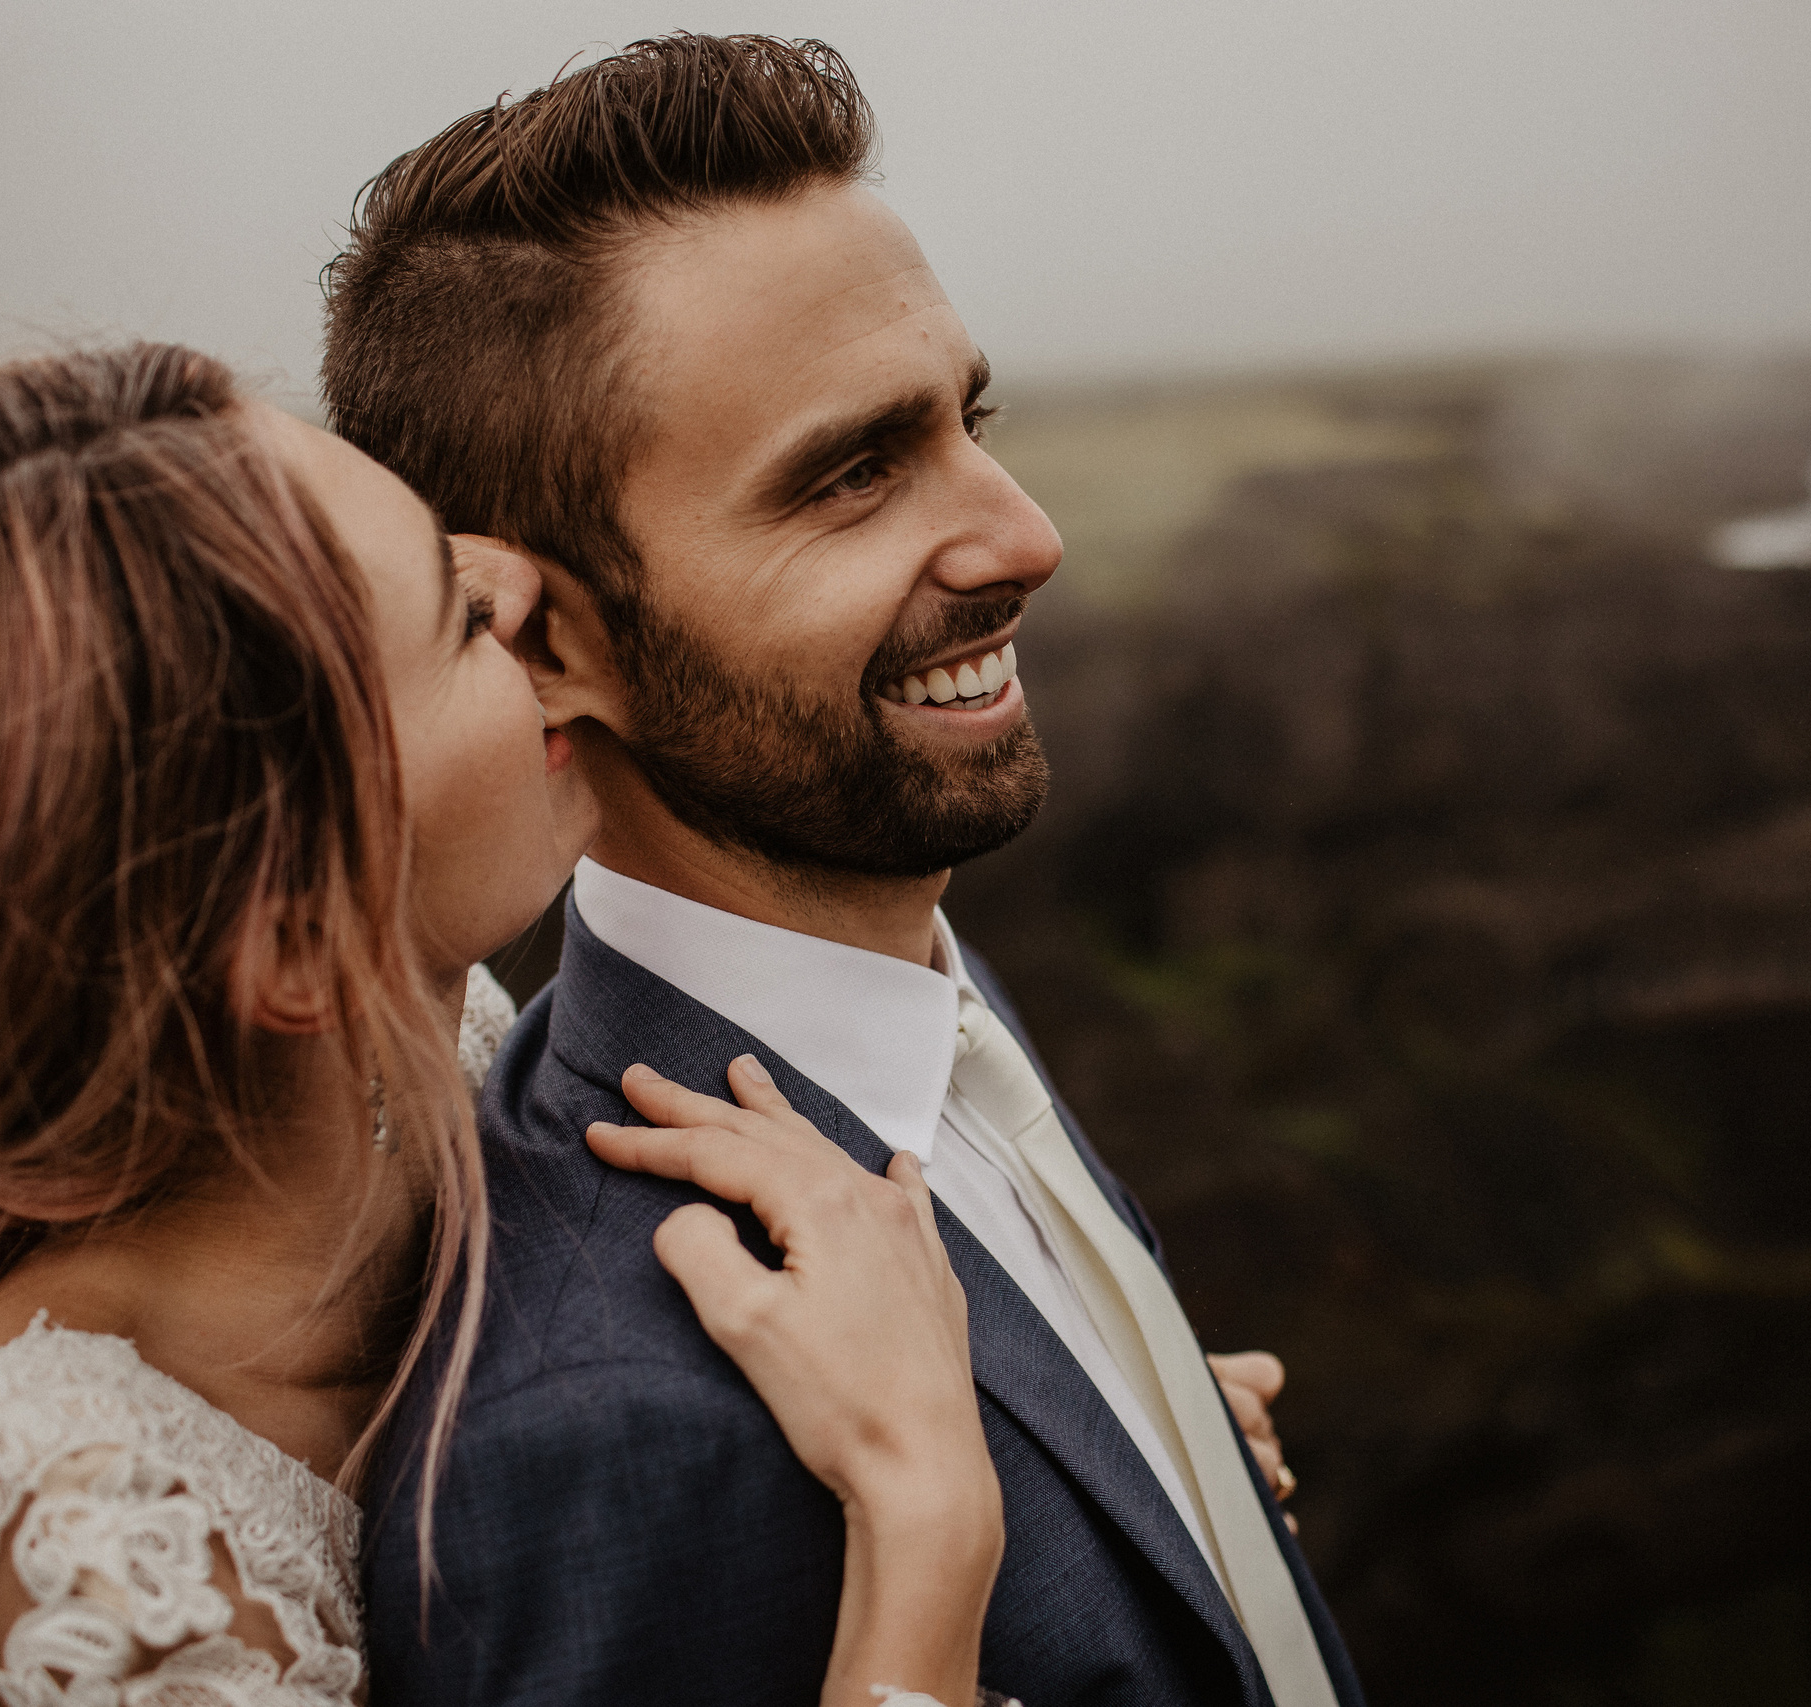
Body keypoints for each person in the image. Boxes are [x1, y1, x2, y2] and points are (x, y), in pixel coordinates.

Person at [0, 343, 1013, 1707]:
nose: (514, 572)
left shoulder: (458, 1048)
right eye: (454, 619)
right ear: (300, 944)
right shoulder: (81, 1560)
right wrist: (926, 1515)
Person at [322, 34, 1365, 1707]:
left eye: (972, 417)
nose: (1025, 536)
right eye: (855, 472)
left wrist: (1154, 1460)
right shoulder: (595, 1436)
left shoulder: (910, 971)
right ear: (552, 638)